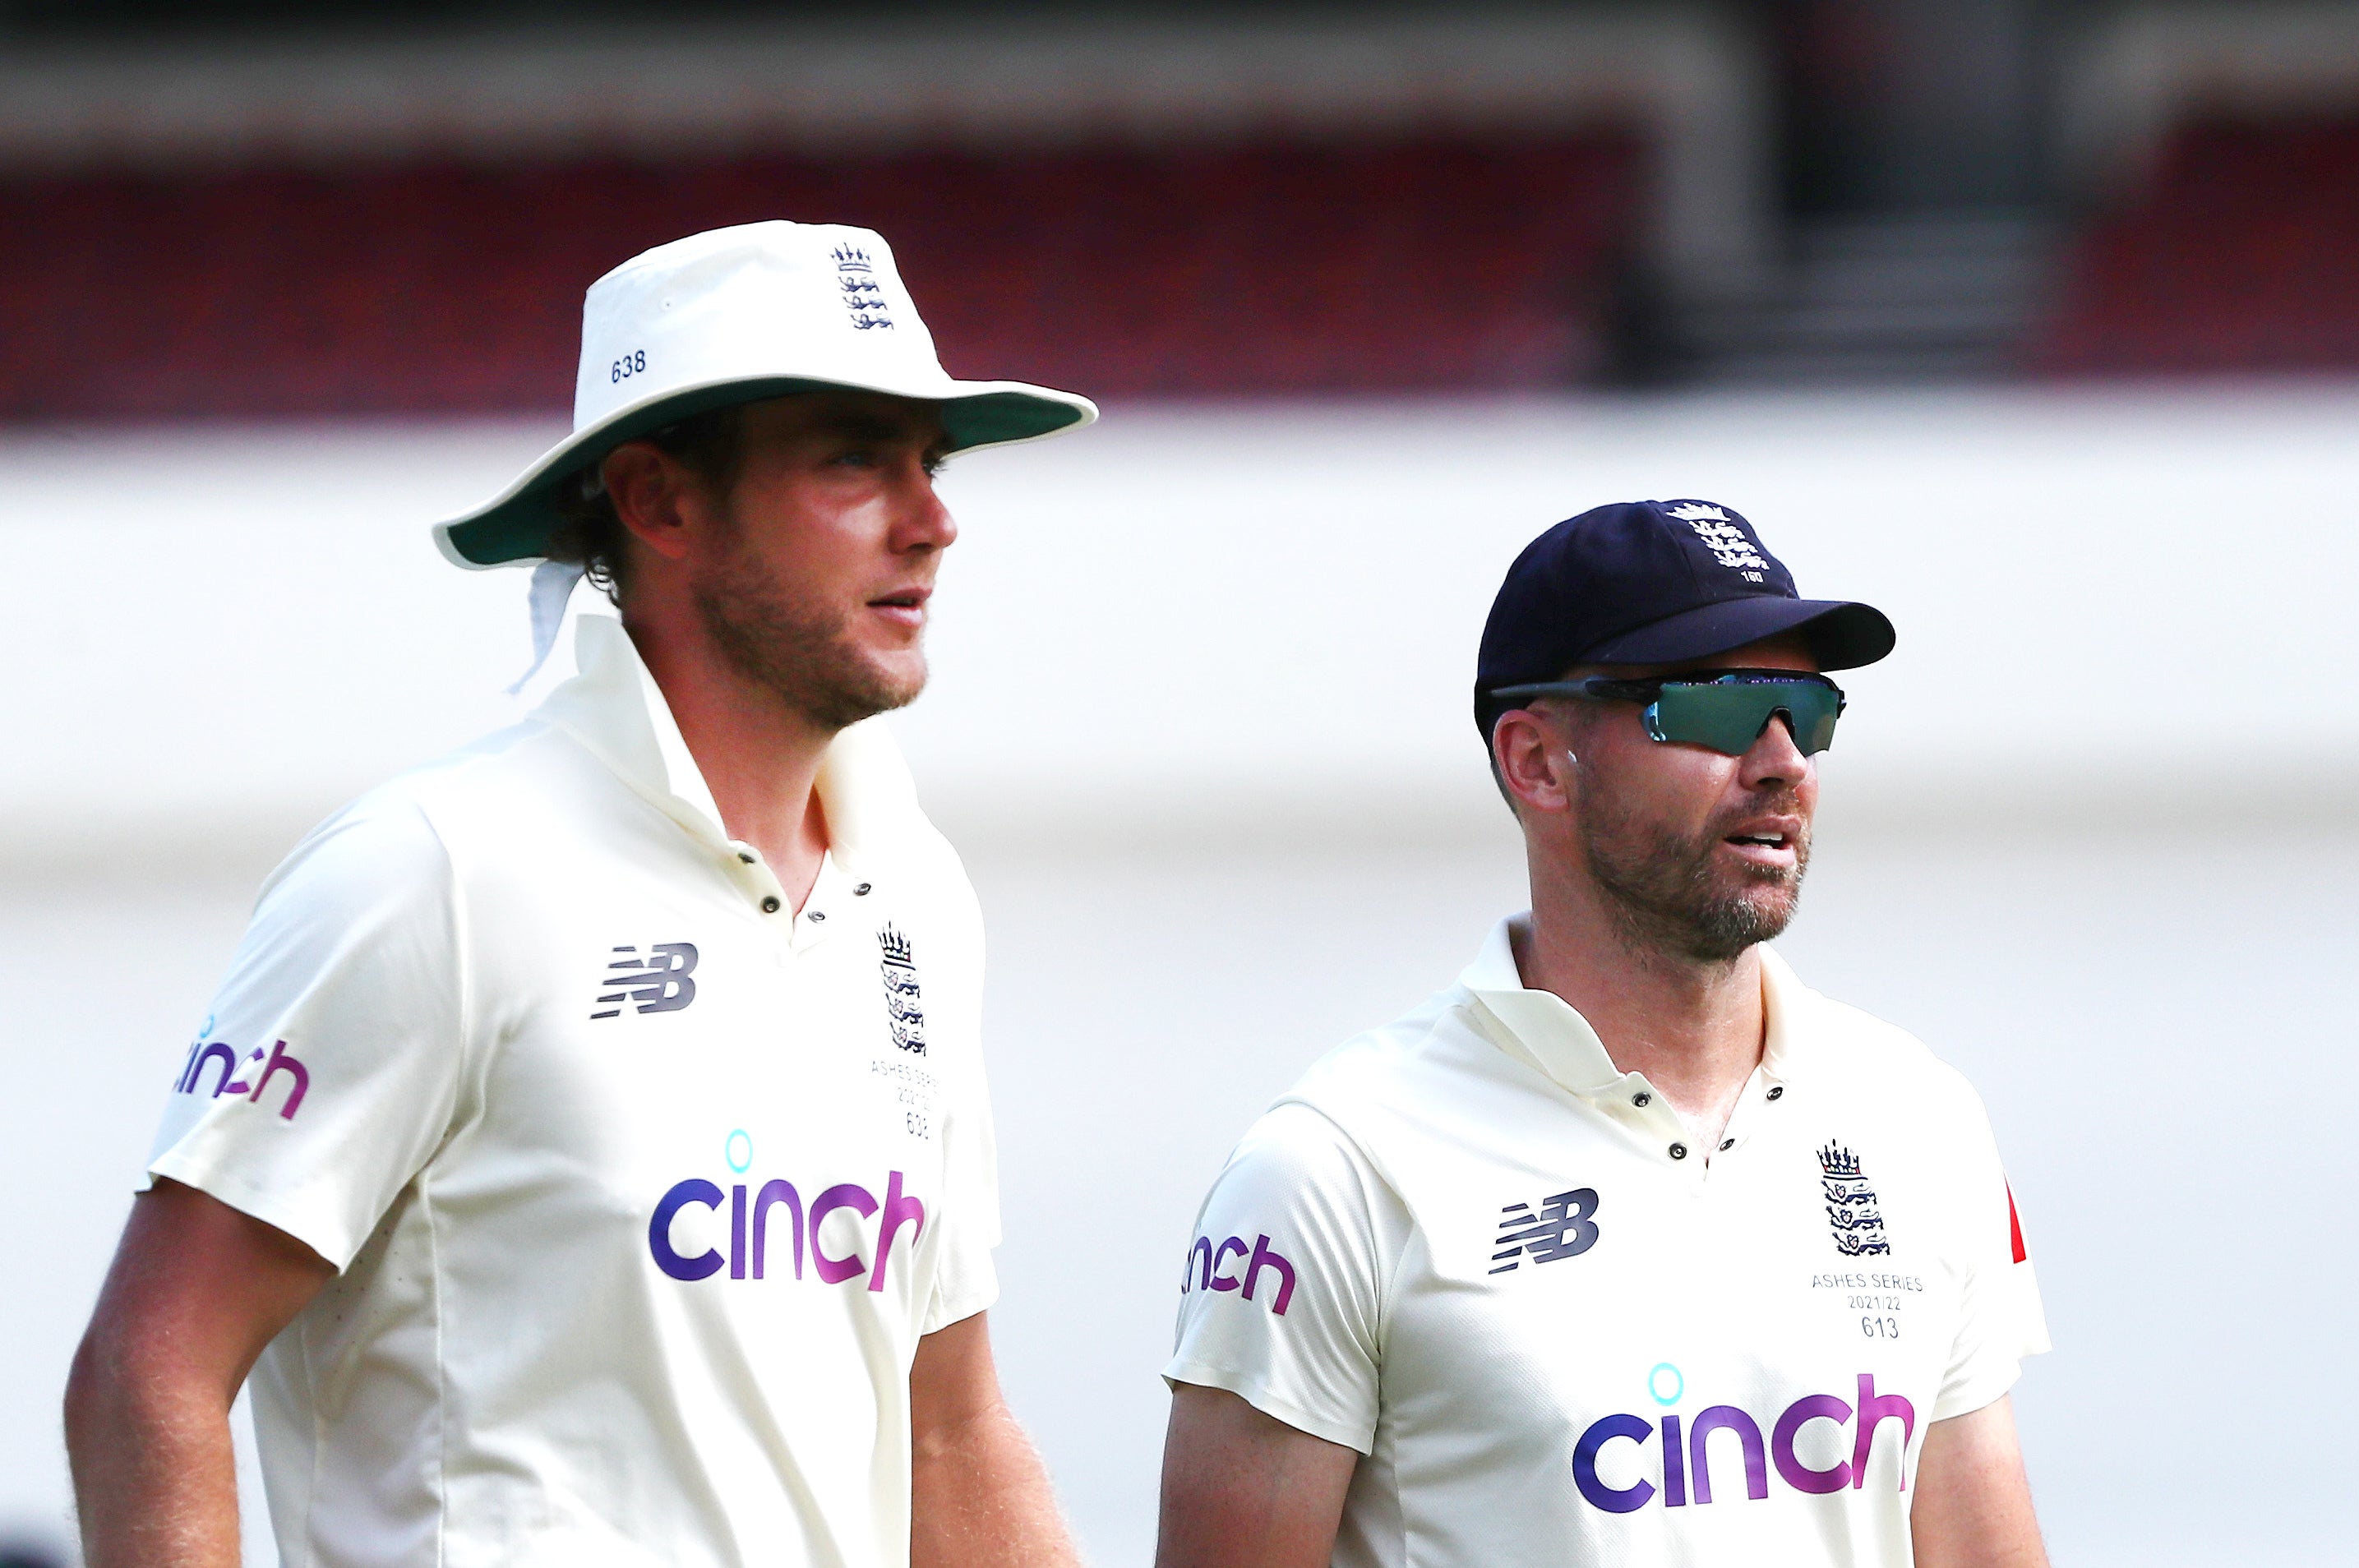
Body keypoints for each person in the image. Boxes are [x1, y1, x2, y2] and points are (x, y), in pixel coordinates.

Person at [65, 221, 1096, 1568]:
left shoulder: (915, 895)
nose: (935, 518)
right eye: (854, 456)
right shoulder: (434, 867)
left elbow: (950, 1431)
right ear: (658, 501)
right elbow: (148, 1374)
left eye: (931, 459)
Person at [1155, 500, 2051, 1567]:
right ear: (1536, 762)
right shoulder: (1334, 1166)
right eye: (1716, 709)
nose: (1782, 762)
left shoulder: (1916, 1117)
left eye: (1806, 711)